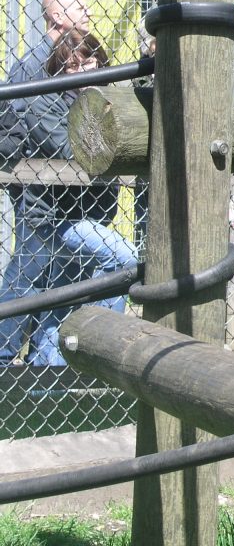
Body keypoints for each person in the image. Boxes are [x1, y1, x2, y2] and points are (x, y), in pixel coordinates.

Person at [0, 33, 137, 366]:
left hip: (88, 212)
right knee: (124, 261)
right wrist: (113, 140)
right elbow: (71, 148)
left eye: (88, 62)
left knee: (60, 293)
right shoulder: (44, 100)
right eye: (71, 66)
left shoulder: (109, 98)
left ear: (101, 62)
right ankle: (102, 351)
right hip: (50, 218)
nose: (81, 71)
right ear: (58, 72)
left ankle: (48, 369)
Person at [0, 0, 95, 366]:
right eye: (78, 4)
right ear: (55, 17)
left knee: (51, 278)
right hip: (38, 193)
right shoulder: (37, 61)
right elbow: (30, 122)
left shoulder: (76, 54)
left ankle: (43, 361)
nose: (88, 8)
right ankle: (4, 358)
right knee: (27, 276)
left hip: (63, 191)